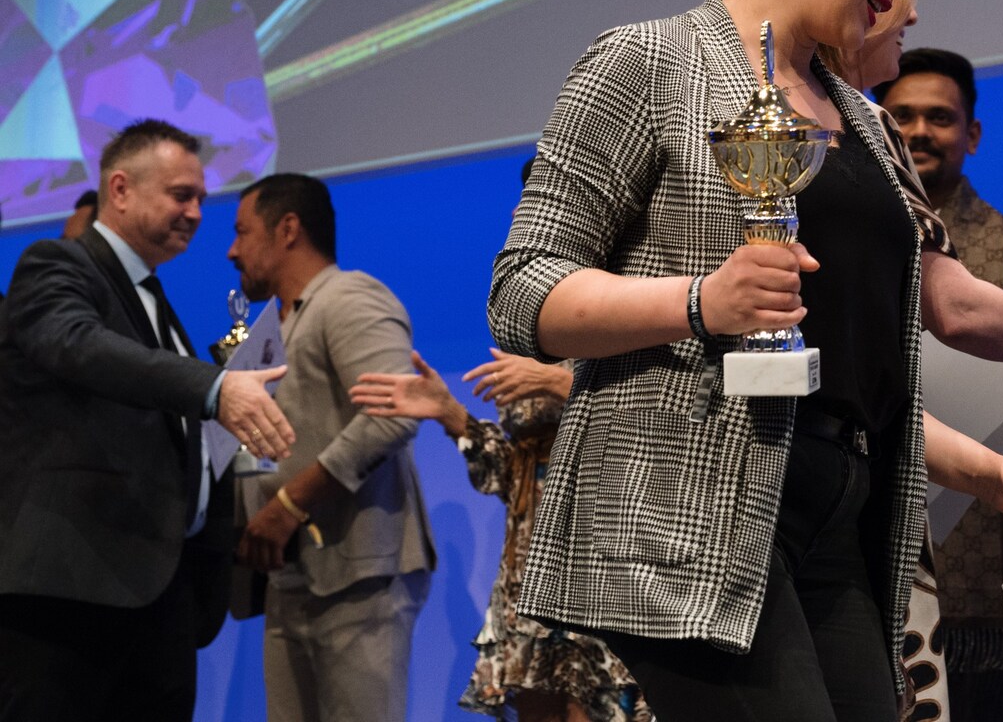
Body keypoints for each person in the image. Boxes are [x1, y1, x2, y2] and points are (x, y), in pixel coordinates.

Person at [490, 0, 1003, 722]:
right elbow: (523, 289)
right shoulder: (647, 63)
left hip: (840, 520)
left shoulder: (862, 118)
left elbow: (924, 311)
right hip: (689, 519)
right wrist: (703, 301)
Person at [0, 118, 293, 720]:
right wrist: (214, 388)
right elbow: (78, 345)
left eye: (200, 199)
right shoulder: (55, 264)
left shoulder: (153, 299)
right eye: (181, 195)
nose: (196, 213)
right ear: (120, 189)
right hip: (73, 595)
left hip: (160, 598)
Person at [875, 47, 1003, 721]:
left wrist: (953, 345)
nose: (918, 131)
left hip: (989, 572)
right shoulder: (848, 242)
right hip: (861, 544)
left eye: (940, 118)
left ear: (972, 134)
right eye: (901, 116)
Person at [229, 172, 436, 722]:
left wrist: (287, 505)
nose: (231, 251)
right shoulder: (270, 328)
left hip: (359, 574)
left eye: (242, 232)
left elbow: (394, 414)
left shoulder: (349, 297)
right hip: (287, 576)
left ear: (287, 229)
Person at [351, 350, 651, 722]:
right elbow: (518, 476)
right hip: (531, 568)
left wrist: (557, 382)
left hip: (602, 557)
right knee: (538, 707)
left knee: (604, 702)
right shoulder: (523, 341)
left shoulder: (618, 337)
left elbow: (650, 432)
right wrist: (451, 414)